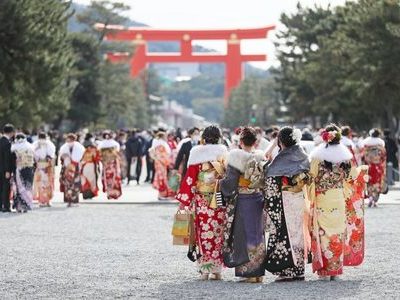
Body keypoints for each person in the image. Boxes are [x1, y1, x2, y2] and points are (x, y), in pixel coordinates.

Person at [176, 125, 228, 280]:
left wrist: (185, 200)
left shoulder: (196, 153)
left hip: (202, 200)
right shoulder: (224, 153)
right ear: (219, 137)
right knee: (218, 232)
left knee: (203, 233)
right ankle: (217, 270)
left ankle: (205, 270)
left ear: (204, 138)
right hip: (218, 199)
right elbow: (228, 176)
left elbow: (190, 178)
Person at [308, 124, 356, 280]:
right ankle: (336, 268)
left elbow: (311, 177)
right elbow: (352, 178)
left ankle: (325, 270)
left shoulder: (318, 156)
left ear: (325, 137)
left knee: (323, 232)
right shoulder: (345, 157)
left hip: (323, 198)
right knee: (337, 231)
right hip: (338, 198)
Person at [220, 127, 267, 283]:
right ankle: (258, 272)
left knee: (243, 234)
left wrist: (219, 183)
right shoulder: (261, 157)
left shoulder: (235, 157)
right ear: (255, 142)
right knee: (257, 234)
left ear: (240, 142)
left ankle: (248, 272)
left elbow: (230, 182)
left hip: (244, 200)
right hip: (258, 199)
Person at [264, 126, 310, 282]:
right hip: (299, 198)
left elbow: (270, 178)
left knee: (285, 232)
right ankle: (299, 269)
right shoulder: (302, 154)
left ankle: (287, 270)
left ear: (281, 141)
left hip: (284, 199)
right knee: (297, 233)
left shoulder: (281, 158)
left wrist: (269, 201)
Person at [361, 128, 386, 207]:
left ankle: (370, 198)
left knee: (369, 182)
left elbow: (363, 156)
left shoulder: (366, 145)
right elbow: (384, 156)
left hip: (369, 166)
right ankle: (375, 200)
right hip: (378, 166)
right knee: (377, 183)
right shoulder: (381, 145)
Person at [59, 133, 85, 207]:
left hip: (76, 166)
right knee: (68, 184)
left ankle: (75, 201)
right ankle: (69, 201)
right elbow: (61, 156)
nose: (69, 141)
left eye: (70, 139)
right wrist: (65, 157)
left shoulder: (79, 147)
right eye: (68, 139)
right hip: (67, 167)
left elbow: (81, 157)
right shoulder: (64, 147)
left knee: (76, 184)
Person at [11, 133, 35, 213]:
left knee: (19, 187)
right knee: (27, 187)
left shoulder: (14, 148)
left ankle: (19, 206)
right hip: (28, 169)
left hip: (19, 169)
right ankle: (26, 205)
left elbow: (12, 160)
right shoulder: (30, 147)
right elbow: (34, 160)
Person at [33, 132, 56, 207]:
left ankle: (46, 201)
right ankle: (43, 201)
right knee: (42, 184)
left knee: (46, 183)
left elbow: (51, 155)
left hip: (44, 166)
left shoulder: (47, 144)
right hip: (43, 165)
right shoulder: (37, 144)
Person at [150, 130, 174, 200]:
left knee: (161, 178)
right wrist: (167, 160)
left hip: (159, 162)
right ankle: (161, 194)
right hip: (161, 162)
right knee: (161, 178)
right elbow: (163, 154)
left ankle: (161, 194)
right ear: (162, 137)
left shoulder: (157, 144)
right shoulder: (161, 144)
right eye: (165, 136)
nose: (166, 137)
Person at [98, 131, 122, 200]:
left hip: (106, 164)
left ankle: (109, 194)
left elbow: (99, 155)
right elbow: (117, 152)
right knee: (114, 178)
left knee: (108, 178)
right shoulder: (115, 144)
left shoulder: (102, 144)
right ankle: (115, 194)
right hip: (113, 163)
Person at [0, 124, 15, 212]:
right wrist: (8, 170)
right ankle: (5, 206)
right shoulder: (7, 143)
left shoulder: (1, 140)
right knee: (6, 188)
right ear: (11, 132)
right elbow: (7, 158)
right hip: (4, 170)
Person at [80, 133, 101, 199]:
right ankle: (90, 194)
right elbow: (97, 158)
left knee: (85, 180)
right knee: (92, 180)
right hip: (91, 165)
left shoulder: (82, 146)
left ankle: (85, 194)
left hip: (84, 165)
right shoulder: (93, 148)